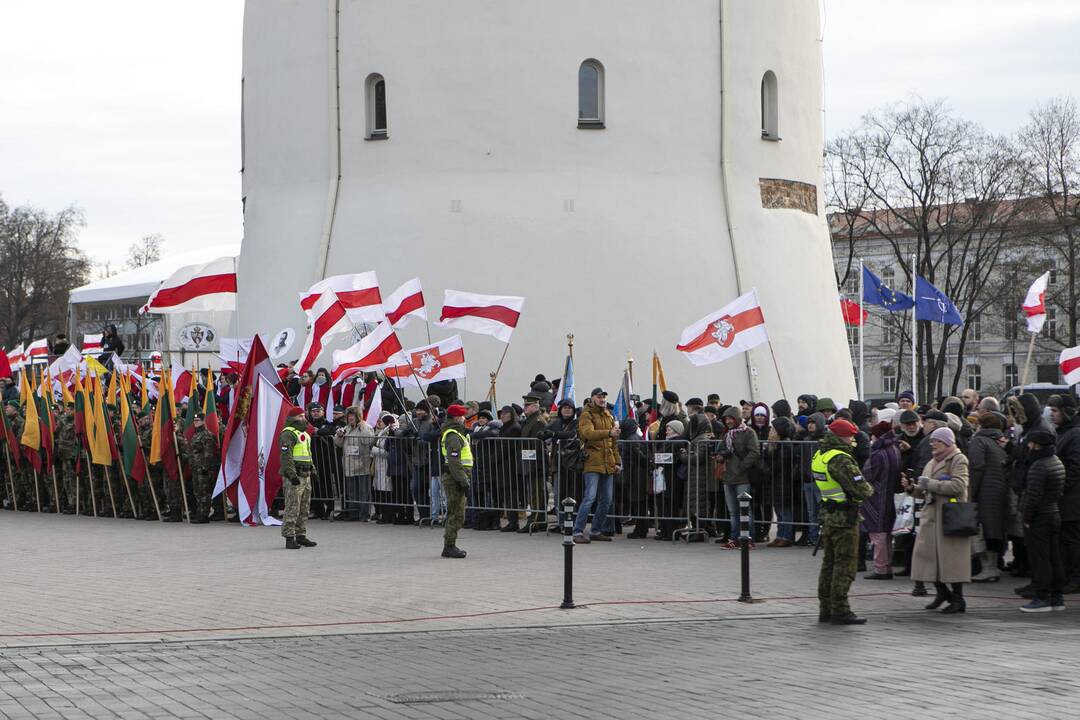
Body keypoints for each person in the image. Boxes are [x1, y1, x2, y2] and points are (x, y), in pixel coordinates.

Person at [812, 419, 874, 625]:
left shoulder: (820, 454)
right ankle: (840, 609)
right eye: (850, 436)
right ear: (840, 437)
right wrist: (865, 490)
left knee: (828, 564)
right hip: (845, 518)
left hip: (828, 516)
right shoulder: (840, 459)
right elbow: (862, 489)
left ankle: (826, 608)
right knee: (845, 565)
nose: (852, 440)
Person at [904, 427, 970, 614]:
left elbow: (959, 485)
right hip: (931, 516)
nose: (933, 445)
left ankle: (958, 598)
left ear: (947, 442)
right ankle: (942, 593)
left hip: (950, 517)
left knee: (952, 561)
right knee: (927, 559)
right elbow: (924, 489)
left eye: (937, 441)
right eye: (932, 441)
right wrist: (912, 488)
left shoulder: (958, 459)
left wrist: (930, 484)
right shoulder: (932, 462)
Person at [1018, 429, 1066, 612]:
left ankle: (1041, 597)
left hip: (1039, 518)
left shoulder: (1039, 466)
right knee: (1055, 557)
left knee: (1040, 559)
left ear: (1036, 445)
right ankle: (1057, 597)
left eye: (1030, 443)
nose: (1028, 447)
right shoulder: (1056, 461)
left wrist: (1027, 518)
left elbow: (1033, 497)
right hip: (1053, 513)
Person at [966, 413, 1010, 583]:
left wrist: (971, 492)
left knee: (983, 530)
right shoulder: (1001, 441)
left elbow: (976, 467)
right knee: (995, 530)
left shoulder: (979, 441)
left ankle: (988, 569)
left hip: (985, 491)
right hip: (1000, 490)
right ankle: (993, 567)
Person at [573, 387, 620, 543]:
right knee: (589, 498)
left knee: (607, 500)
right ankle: (577, 531)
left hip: (608, 462)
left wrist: (618, 461)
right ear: (592, 398)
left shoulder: (608, 415)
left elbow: (613, 444)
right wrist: (608, 433)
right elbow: (588, 434)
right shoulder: (586, 414)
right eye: (599, 397)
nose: (602, 399)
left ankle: (596, 530)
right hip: (592, 461)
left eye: (604, 397)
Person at [1047, 394, 1080, 594]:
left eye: (1055, 411)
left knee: (1072, 539)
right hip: (1065, 497)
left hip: (1072, 498)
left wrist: (1061, 486)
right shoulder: (1064, 432)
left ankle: (1075, 577)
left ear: (1066, 412)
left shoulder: (1074, 434)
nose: (1052, 414)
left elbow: (1075, 467)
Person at [861, 420, 900, 579]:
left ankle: (881, 569)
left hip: (877, 498)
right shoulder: (894, 449)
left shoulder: (879, 453)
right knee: (886, 534)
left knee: (878, 534)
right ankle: (887, 566)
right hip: (890, 496)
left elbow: (868, 474)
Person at [717, 405, 760, 549]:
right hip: (728, 476)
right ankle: (734, 538)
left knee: (745, 510)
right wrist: (720, 456)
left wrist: (742, 467)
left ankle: (748, 539)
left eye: (731, 418)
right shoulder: (726, 434)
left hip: (742, 477)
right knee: (733, 512)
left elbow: (754, 452)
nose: (728, 421)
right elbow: (722, 450)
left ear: (737, 419)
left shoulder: (748, 432)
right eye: (726, 419)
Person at [280, 406, 317, 549]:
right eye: (300, 416)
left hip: (306, 475)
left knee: (304, 507)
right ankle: (289, 537)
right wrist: (291, 474)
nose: (303, 418)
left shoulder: (305, 434)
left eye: (303, 415)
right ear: (292, 418)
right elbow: (286, 456)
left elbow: (307, 454)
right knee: (292, 507)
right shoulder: (288, 434)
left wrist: (313, 470)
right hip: (295, 476)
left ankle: (301, 535)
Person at [439, 404, 472, 558]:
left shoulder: (457, 433)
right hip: (455, 478)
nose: (464, 419)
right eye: (463, 416)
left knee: (457, 512)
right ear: (457, 417)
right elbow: (454, 461)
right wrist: (463, 480)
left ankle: (450, 544)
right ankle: (449, 546)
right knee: (456, 513)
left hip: (456, 476)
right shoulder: (453, 435)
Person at [334, 406, 375, 521]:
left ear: (358, 416)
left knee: (363, 491)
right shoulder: (346, 428)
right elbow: (338, 443)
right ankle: (353, 514)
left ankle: (364, 514)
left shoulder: (366, 427)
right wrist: (339, 436)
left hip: (362, 464)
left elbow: (369, 441)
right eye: (348, 415)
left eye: (352, 415)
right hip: (349, 465)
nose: (350, 417)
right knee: (351, 491)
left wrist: (363, 428)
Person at [182, 413, 218, 523]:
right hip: (195, 468)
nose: (195, 422)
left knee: (204, 492)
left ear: (203, 421)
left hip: (203, 469)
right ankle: (199, 512)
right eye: (194, 420)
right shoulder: (195, 435)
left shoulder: (207, 435)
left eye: (198, 420)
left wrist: (205, 467)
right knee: (197, 491)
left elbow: (209, 453)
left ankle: (204, 514)